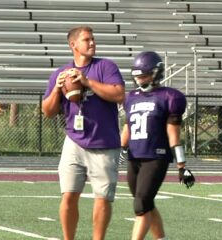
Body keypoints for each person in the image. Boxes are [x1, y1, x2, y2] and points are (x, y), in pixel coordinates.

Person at [42, 26, 125, 240]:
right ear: (73, 45)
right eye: (86, 39)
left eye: (93, 39)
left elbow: (118, 94)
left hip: (105, 143)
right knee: (68, 195)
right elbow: (48, 111)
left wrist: (87, 82)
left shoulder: (105, 67)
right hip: (74, 141)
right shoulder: (60, 73)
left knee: (102, 198)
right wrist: (56, 90)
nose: (92, 43)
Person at [119, 51, 195, 240]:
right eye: (137, 76)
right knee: (146, 204)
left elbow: (173, 134)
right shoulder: (131, 97)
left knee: (141, 205)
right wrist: (119, 151)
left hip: (156, 156)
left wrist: (182, 166)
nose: (139, 80)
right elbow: (127, 127)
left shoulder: (169, 96)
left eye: (144, 75)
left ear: (156, 74)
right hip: (134, 156)